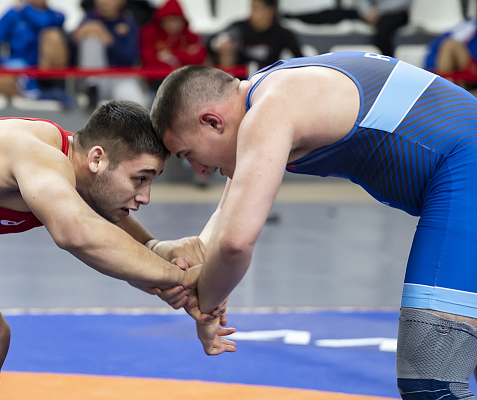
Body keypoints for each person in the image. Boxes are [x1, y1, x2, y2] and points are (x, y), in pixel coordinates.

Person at [151, 51, 477, 397]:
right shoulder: (268, 92)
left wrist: (205, 307)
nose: (198, 169)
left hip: (465, 167)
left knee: (431, 378)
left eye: (187, 155)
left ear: (212, 122)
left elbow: (235, 243)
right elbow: (223, 222)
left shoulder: (270, 110)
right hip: (463, 165)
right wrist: (182, 258)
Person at [0, 100, 208, 399]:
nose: (145, 197)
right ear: (97, 158)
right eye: (139, 179)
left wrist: (153, 249)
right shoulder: (30, 153)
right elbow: (77, 233)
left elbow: (96, 217)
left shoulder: (71, 168)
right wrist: (179, 276)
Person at [0, 0, 74, 108]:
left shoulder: (56, 15)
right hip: (19, 70)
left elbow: (44, 22)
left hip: (45, 72)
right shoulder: (13, 14)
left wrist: (25, 9)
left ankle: (45, 89)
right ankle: (34, 93)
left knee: (53, 35)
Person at [70, 0, 147, 108]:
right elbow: (71, 60)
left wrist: (109, 40)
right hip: (92, 80)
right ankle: (92, 87)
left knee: (135, 102)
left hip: (120, 78)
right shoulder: (87, 21)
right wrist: (74, 40)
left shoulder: (129, 22)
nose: (104, 2)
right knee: (91, 37)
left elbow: (129, 59)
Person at [283, 0, 411, 57]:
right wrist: (367, 12)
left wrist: (379, 11)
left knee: (383, 30)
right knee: (334, 14)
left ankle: (389, 65)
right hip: (370, 12)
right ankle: (294, 16)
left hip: (394, 13)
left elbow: (403, 2)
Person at [209, 0, 303, 71]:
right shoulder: (239, 27)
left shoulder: (282, 34)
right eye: (251, 8)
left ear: (270, 11)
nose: (251, 13)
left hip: (266, 82)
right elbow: (211, 41)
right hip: (237, 81)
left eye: (256, 8)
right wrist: (220, 44)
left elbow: (300, 60)